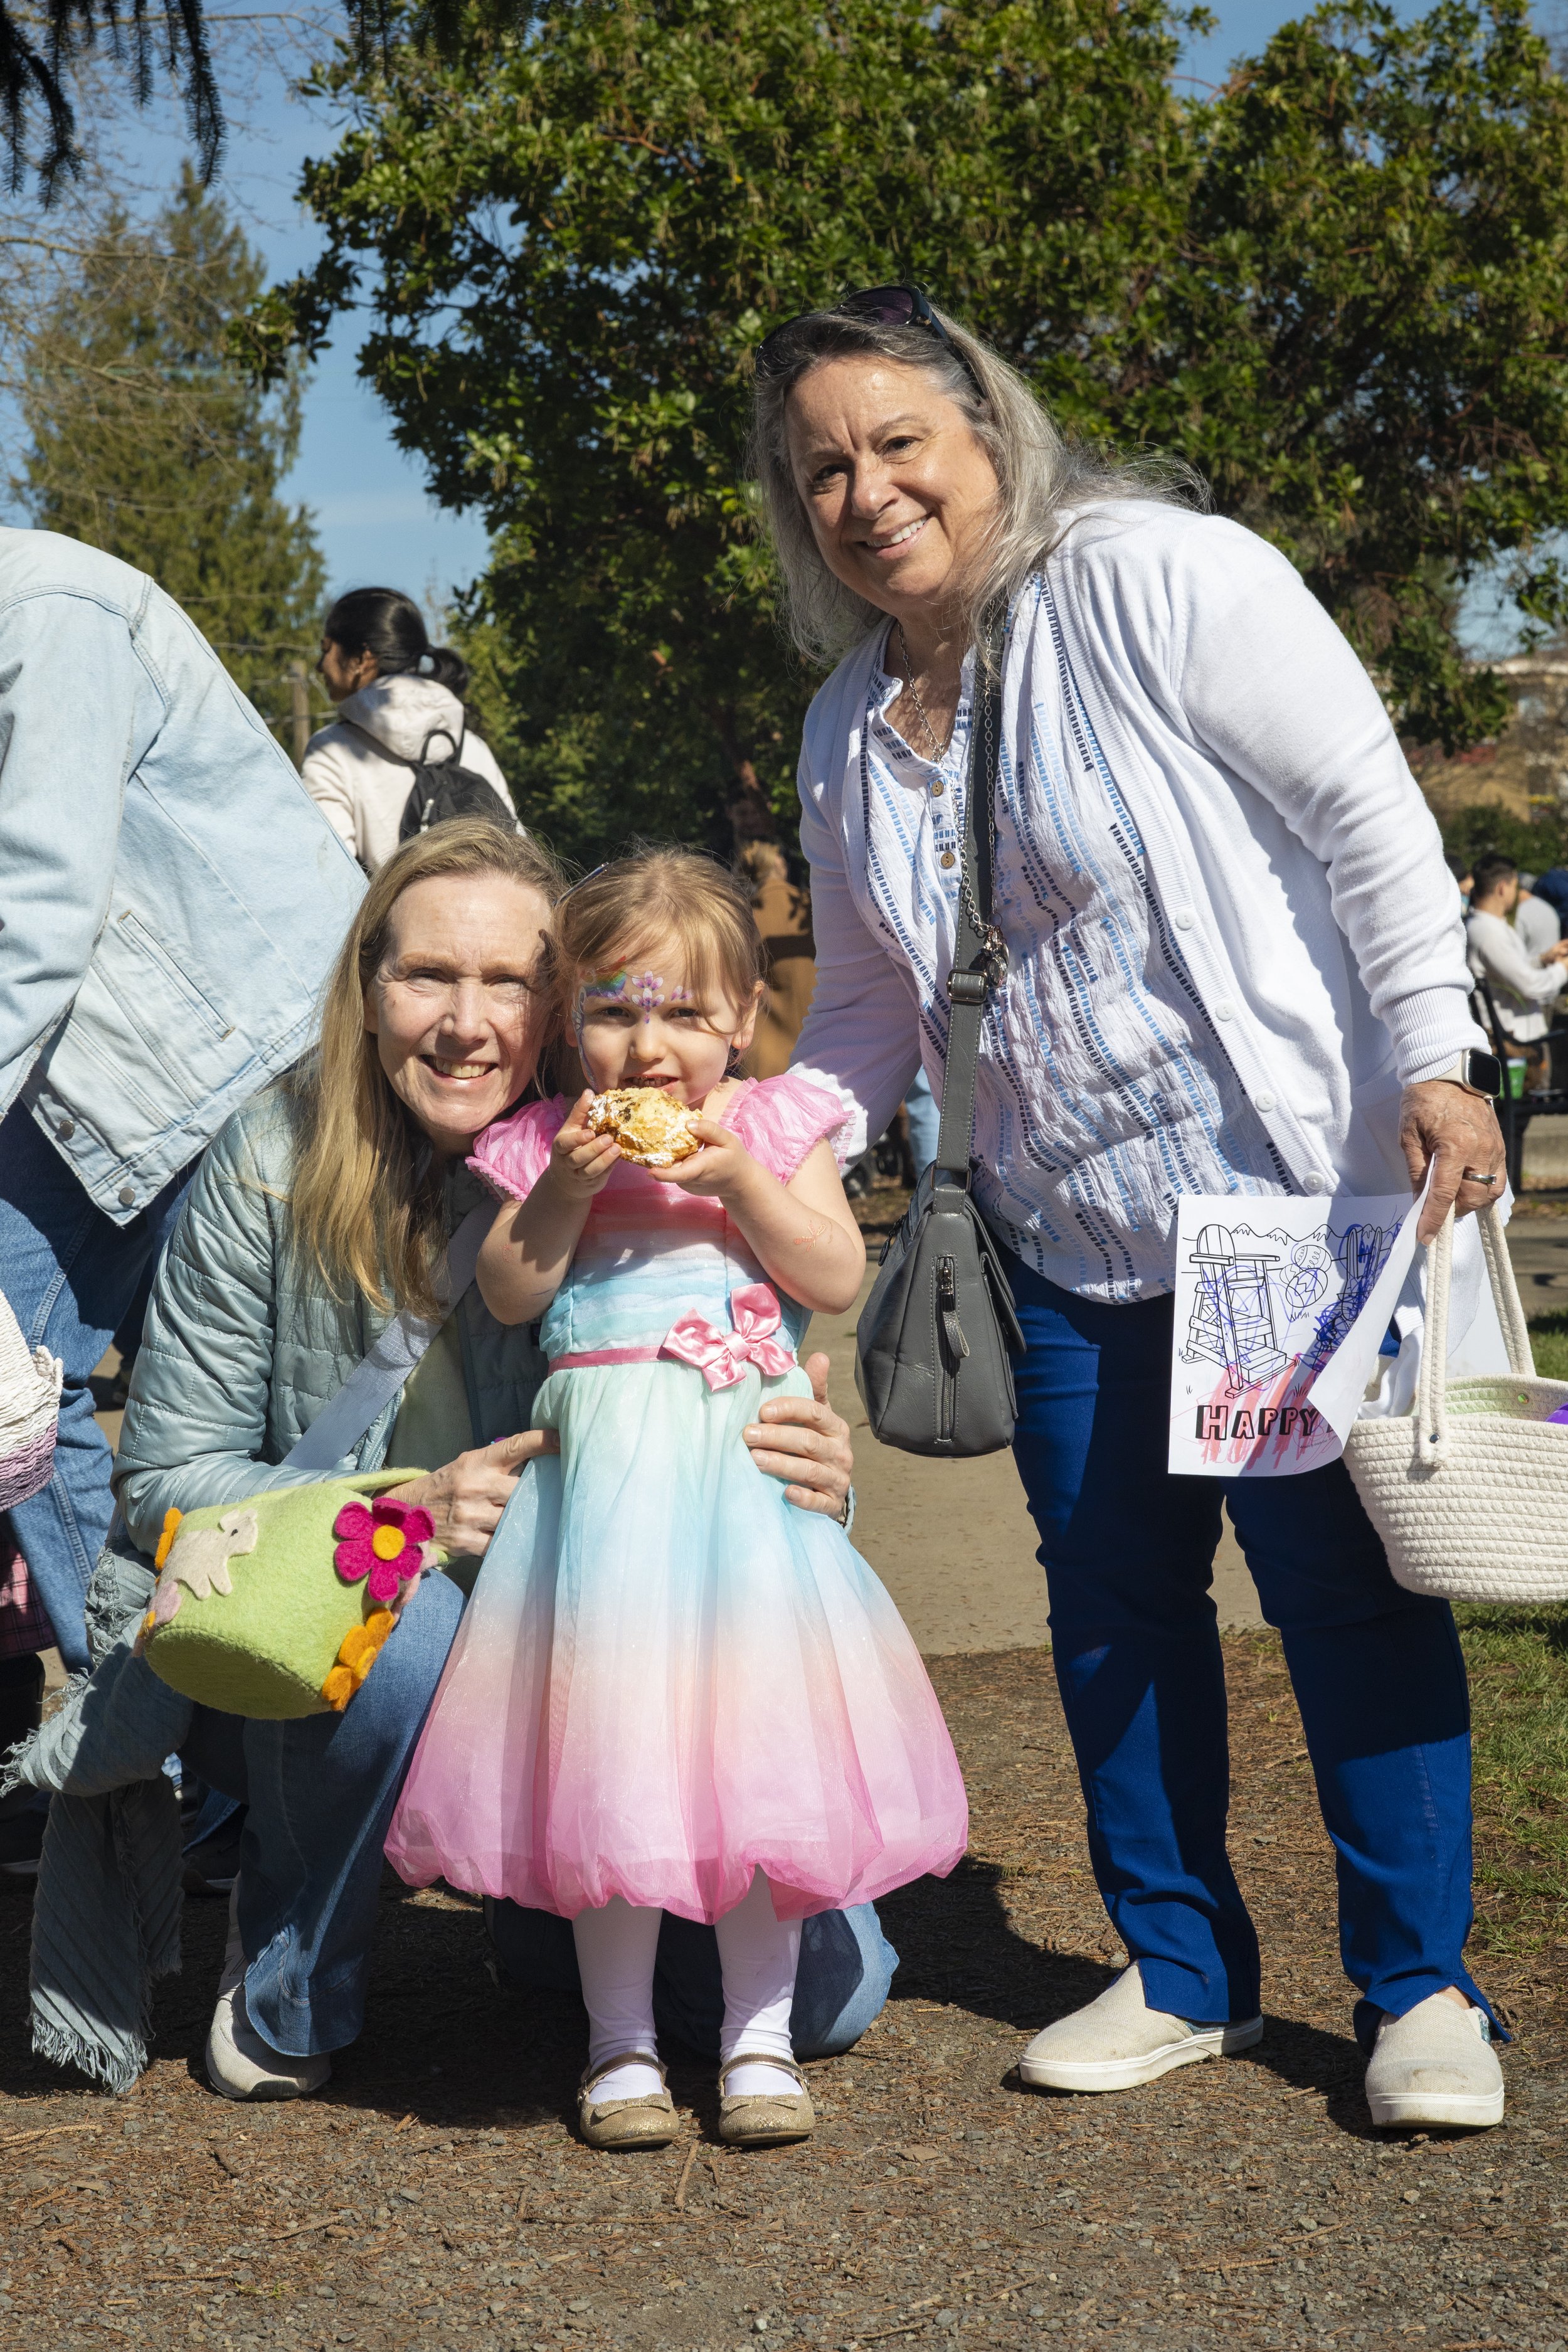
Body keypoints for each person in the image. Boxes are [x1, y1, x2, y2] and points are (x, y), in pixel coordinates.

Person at [754, 284, 1513, 2131]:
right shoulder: (849, 726)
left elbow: (1360, 811)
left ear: (983, 428)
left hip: (1266, 1214)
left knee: (1336, 1592)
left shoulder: (1155, 578)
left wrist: (1431, 1049)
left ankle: (1417, 1989)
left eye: (893, 441)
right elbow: (862, 999)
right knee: (1113, 1612)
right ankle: (1182, 1969)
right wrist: (755, 1134)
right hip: (1059, 1236)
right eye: (821, 470)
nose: (863, 493)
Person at [14, 820, 881, 2100]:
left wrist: (818, 1463)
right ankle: (295, 1959)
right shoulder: (269, 1162)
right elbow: (160, 1481)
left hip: (605, 1614)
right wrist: (398, 1510)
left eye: (508, 983)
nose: (466, 1022)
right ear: (366, 990)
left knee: (825, 2002)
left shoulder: (637, 1153)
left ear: (556, 1004)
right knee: (409, 1615)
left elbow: (760, 1331)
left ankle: (543, 1922)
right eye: (427, 976)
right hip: (350, 1617)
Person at [388, 850, 967, 2151]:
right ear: (570, 1017)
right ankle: (620, 2046)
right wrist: (570, 1186)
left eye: (685, 1015)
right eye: (613, 1011)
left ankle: (756, 2041)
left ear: (741, 1018)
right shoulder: (540, 1143)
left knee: (756, 1763)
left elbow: (826, 1274)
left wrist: (743, 1186)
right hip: (595, 1514)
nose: (649, 1048)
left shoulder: (770, 1126)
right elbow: (510, 1293)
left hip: (736, 1498)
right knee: (614, 1774)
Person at [0, 527, 366, 1697]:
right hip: (80, 1097)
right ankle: (146, 1735)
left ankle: (185, 1742)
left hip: (233, 1074)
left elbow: (43, 906)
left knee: (273, 1439)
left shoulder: (50, 608)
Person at [302, 587, 517, 872]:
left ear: (362, 659)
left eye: (326, 649)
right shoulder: (471, 744)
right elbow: (518, 855)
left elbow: (328, 873)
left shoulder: (333, 749)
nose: (320, 666)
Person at [1465, 852, 1568, 1059]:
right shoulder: (1488, 932)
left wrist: (1542, 960)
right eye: (1514, 886)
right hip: (1516, 1044)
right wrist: (1562, 969)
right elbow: (1530, 986)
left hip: (1517, 1038)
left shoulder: (1488, 926)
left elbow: (1510, 971)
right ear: (1503, 887)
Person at [1513, 871, 1560, 963]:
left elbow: (1515, 956)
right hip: (1554, 968)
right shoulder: (1548, 907)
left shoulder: (1521, 914)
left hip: (1533, 970)